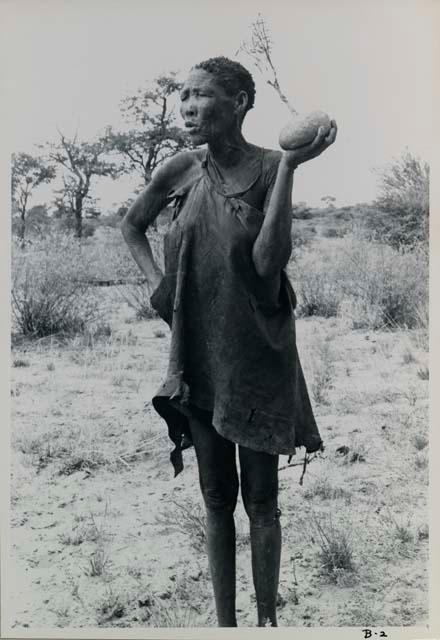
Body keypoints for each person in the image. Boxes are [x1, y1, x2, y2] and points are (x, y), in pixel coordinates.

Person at [121, 56, 337, 627]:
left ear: (240, 102)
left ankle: (266, 625)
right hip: (199, 349)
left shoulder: (270, 166)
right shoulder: (180, 170)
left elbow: (268, 265)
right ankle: (226, 628)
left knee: (261, 499)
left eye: (203, 95)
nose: (189, 107)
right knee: (216, 497)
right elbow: (132, 225)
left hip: (259, 351)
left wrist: (290, 167)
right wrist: (161, 290)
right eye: (183, 96)